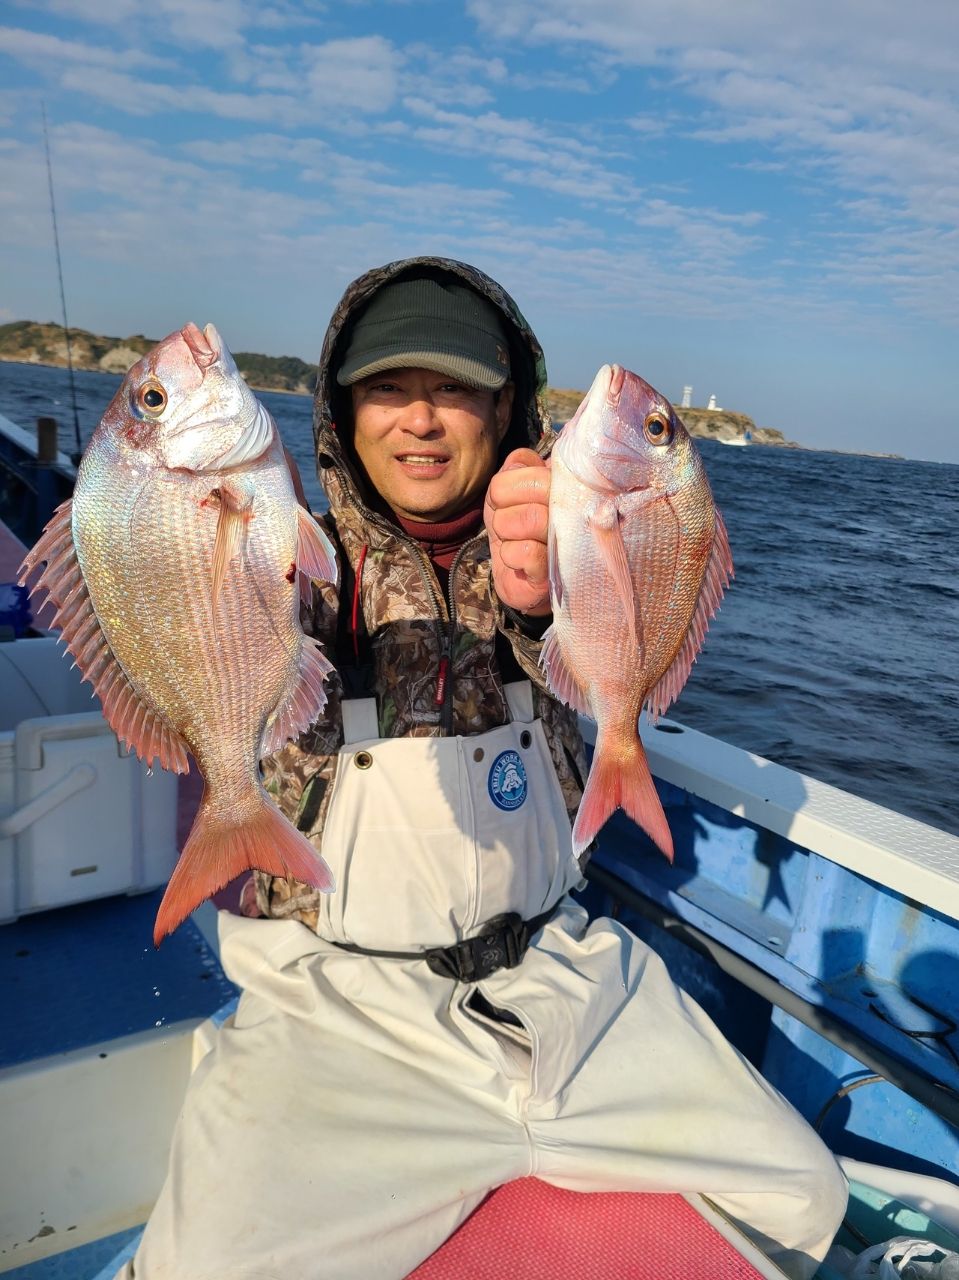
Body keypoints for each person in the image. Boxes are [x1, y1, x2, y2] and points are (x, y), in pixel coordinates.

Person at [118, 257, 847, 1280]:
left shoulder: (563, 536)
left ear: (503, 409)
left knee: (803, 1195)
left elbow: (558, 623)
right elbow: (269, 622)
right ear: (338, 409)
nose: (419, 419)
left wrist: (542, 592)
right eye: (385, 388)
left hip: (561, 977)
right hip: (343, 1010)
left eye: (453, 388)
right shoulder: (291, 556)